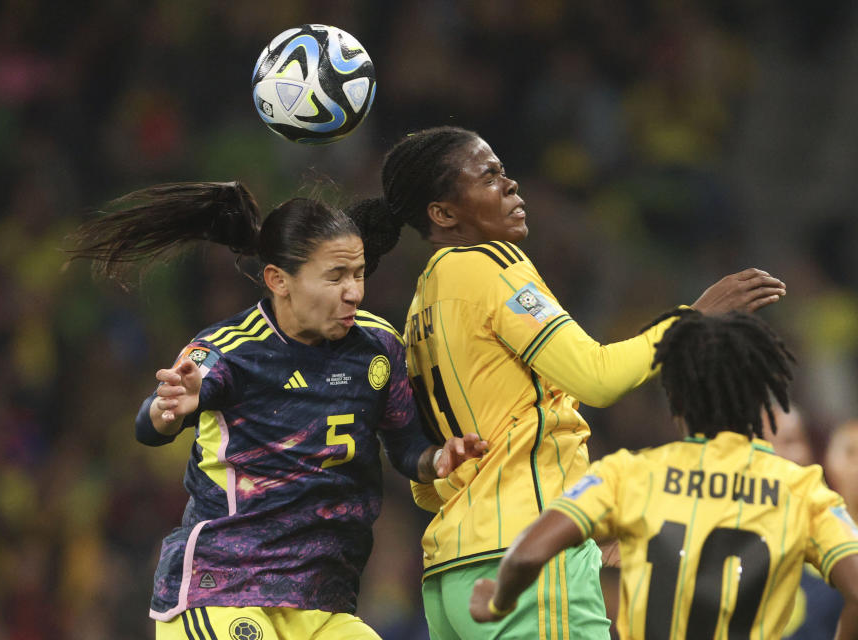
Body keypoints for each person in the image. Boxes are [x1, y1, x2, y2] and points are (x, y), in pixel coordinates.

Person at [345, 126, 787, 639]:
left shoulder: (422, 305)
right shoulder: (492, 266)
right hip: (526, 562)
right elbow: (595, 377)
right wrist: (694, 319)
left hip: (452, 571)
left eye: (505, 172)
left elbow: (427, 480)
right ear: (443, 213)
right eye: (489, 176)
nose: (510, 185)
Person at [68, 182, 487, 640]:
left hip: (323, 603)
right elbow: (151, 424)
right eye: (335, 277)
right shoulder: (230, 350)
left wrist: (438, 459)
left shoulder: (379, 348)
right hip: (222, 589)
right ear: (278, 280)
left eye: (359, 274)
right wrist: (168, 410)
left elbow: (407, 448)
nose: (353, 293)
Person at [468, 311, 858, 639]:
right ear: (759, 402)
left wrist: (499, 599)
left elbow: (527, 553)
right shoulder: (803, 490)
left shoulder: (629, 474)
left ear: (676, 401)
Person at [763, 404, 844, 639]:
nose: (776, 454)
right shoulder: (732, 546)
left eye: (789, 441)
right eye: (763, 444)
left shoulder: (842, 533)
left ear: (814, 452)